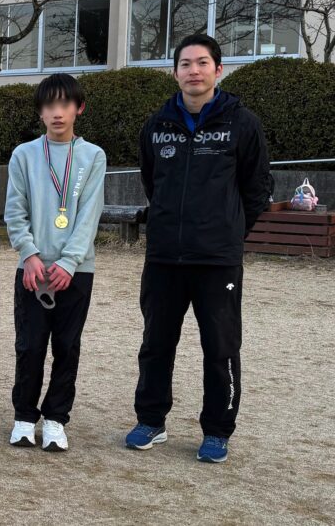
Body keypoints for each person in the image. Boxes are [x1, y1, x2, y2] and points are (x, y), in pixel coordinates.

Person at [125, 33, 272, 463]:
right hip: (164, 257)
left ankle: (217, 430)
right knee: (156, 343)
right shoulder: (156, 125)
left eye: (202, 63)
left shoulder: (242, 123)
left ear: (218, 70)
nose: (194, 71)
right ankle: (151, 420)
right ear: (175, 73)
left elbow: (257, 189)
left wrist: (229, 231)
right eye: (186, 64)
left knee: (220, 347)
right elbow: (152, 182)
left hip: (217, 259)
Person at [4, 73, 106, 452]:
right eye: (49, 105)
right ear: (40, 112)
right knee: (30, 345)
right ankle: (24, 416)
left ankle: (56, 419)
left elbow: (89, 215)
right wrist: (29, 254)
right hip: (31, 269)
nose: (57, 113)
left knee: (67, 346)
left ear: (79, 108)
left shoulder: (93, 156)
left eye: (65, 104)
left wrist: (68, 263)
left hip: (76, 271)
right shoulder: (24, 155)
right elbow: (15, 211)